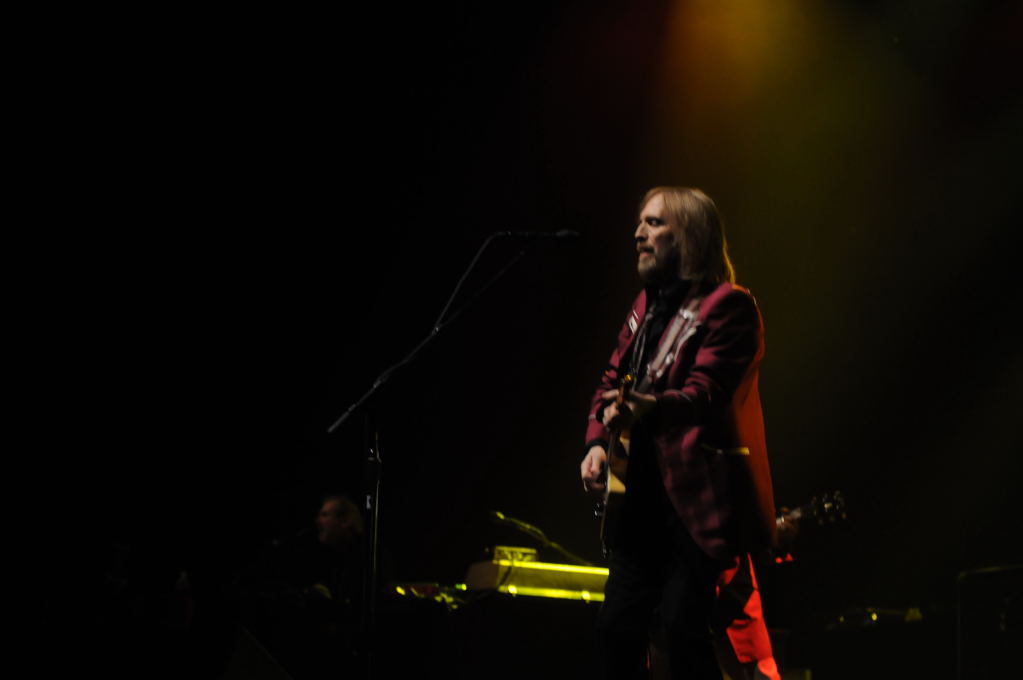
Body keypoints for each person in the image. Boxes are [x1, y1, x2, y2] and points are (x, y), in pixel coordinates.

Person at [581, 187, 776, 679]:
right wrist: (597, 444)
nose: (638, 234)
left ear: (689, 234)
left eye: (654, 223)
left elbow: (707, 394)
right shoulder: (646, 304)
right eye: (639, 223)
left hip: (696, 507)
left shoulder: (729, 307)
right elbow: (610, 379)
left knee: (681, 634)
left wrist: (648, 407)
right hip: (638, 506)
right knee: (614, 634)